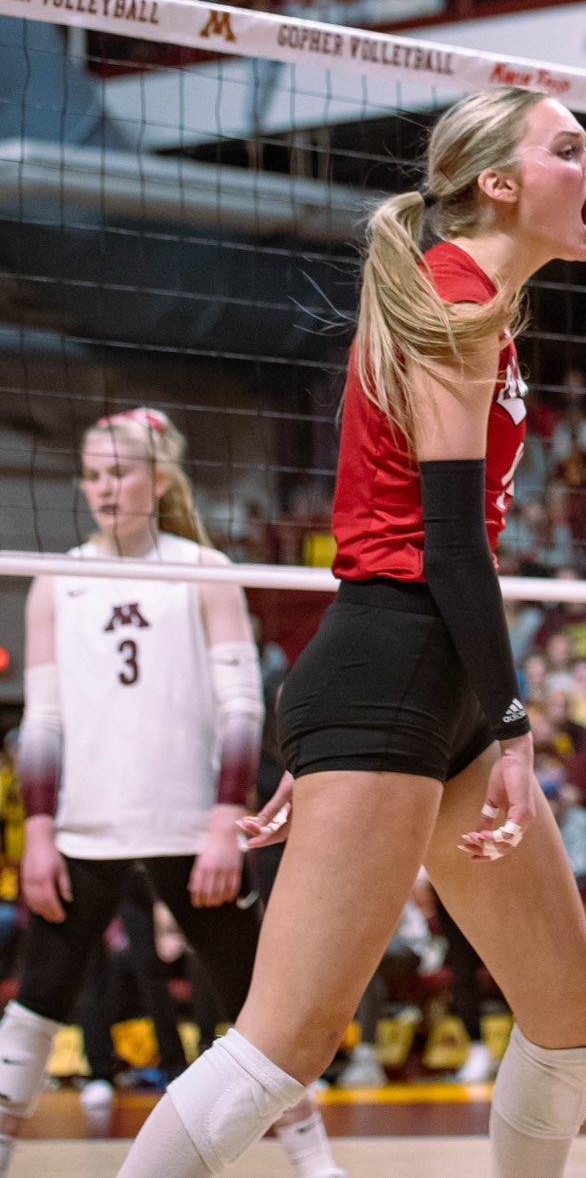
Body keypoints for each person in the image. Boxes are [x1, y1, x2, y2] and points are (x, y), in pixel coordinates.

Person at [117, 87, 586, 1177]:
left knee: (573, 1014)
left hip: (417, 682)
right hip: (395, 660)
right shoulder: (448, 296)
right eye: (571, 150)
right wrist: (509, 723)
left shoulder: (481, 303)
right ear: (499, 182)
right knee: (287, 1039)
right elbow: (445, 547)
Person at [2, 410, 343, 1178]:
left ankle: (316, 1163)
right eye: (91, 475)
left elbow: (242, 709)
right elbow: (43, 721)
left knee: (263, 1005)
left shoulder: (204, 569)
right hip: (87, 829)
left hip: (195, 830)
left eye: (118, 472)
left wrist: (226, 820)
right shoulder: (59, 580)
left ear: (158, 479)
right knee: (35, 1006)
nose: (102, 488)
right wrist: (42, 832)